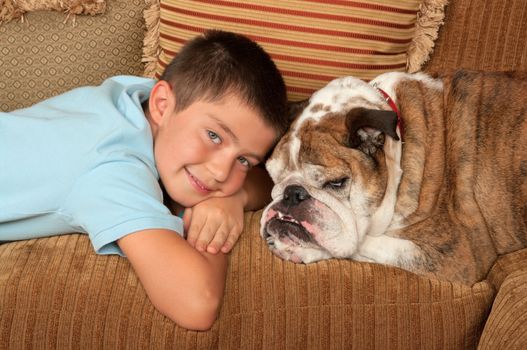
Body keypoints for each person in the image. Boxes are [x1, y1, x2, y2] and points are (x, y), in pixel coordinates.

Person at [0, 30, 289, 330]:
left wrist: (234, 197)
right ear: (161, 104)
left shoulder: (141, 99)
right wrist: (213, 231)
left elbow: (272, 179)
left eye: (243, 160)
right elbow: (196, 303)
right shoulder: (113, 169)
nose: (220, 172)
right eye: (213, 136)